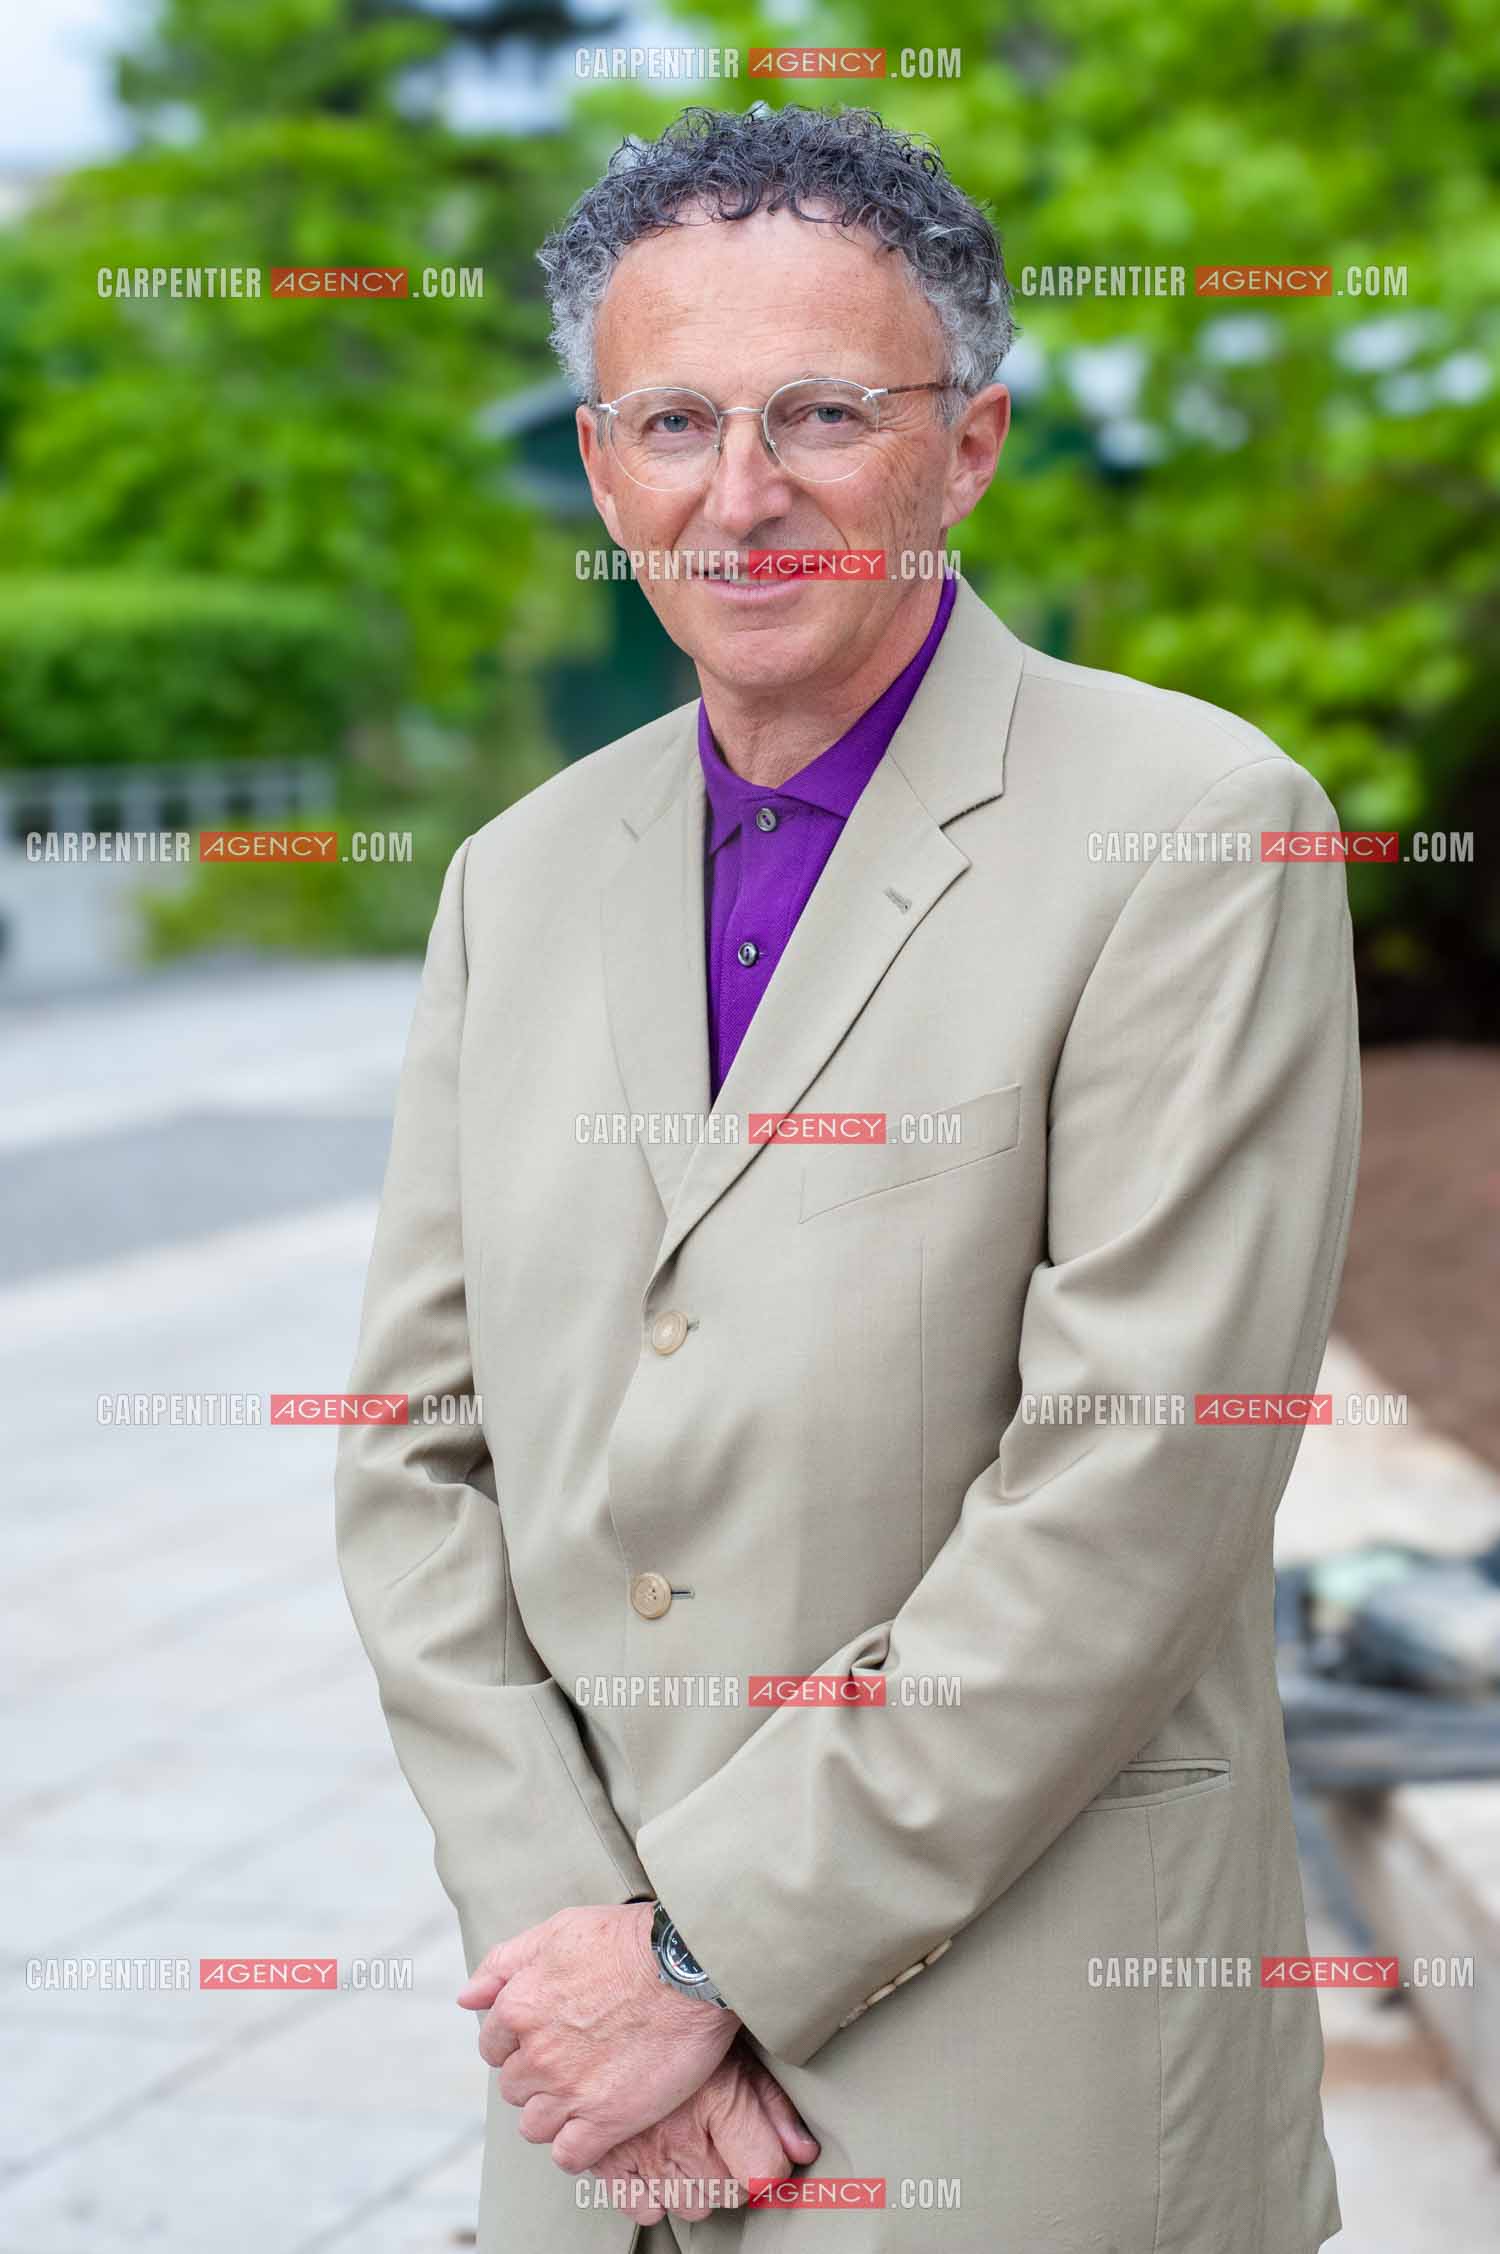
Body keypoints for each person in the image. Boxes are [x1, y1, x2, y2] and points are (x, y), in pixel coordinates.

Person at [335, 102, 1358, 2254]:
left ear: (966, 446)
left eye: (822, 411)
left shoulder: (1197, 828)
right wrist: (578, 1952)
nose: (745, 490)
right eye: (674, 422)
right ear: (604, 472)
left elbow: (1135, 1484)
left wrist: (703, 1958)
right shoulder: (516, 881)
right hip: (600, 2092)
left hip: (1019, 2083)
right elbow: (417, 1459)